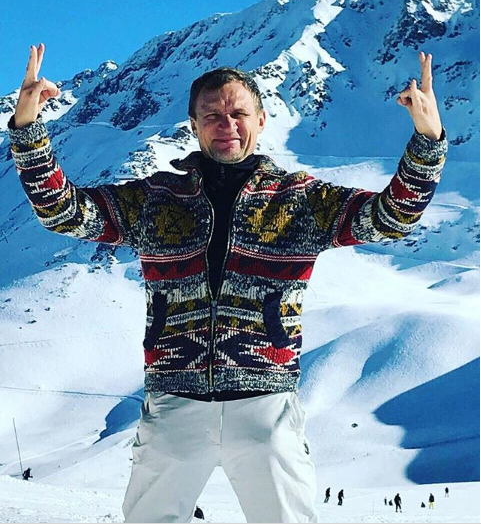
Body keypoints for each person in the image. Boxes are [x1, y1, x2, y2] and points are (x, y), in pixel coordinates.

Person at [9, 43, 446, 524]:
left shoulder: (300, 200)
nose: (227, 124)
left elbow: (390, 217)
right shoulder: (155, 198)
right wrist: (28, 128)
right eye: (212, 115)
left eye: (238, 113)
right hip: (175, 405)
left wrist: (428, 139)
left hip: (265, 407)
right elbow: (64, 211)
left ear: (261, 120)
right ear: (193, 124)